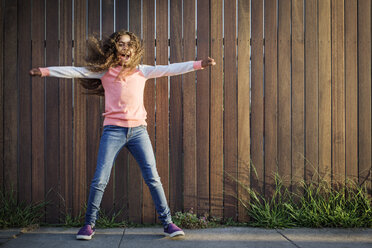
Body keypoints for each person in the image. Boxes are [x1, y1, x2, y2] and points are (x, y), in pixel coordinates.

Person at [30, 30, 216, 240]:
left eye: (129, 44)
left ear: (135, 50)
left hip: (138, 132)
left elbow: (170, 69)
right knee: (100, 179)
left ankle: (168, 223)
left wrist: (199, 64)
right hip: (113, 131)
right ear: (114, 49)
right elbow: (76, 71)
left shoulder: (142, 71)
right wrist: (45, 71)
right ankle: (88, 225)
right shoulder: (104, 72)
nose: (125, 48)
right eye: (121, 44)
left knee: (153, 178)